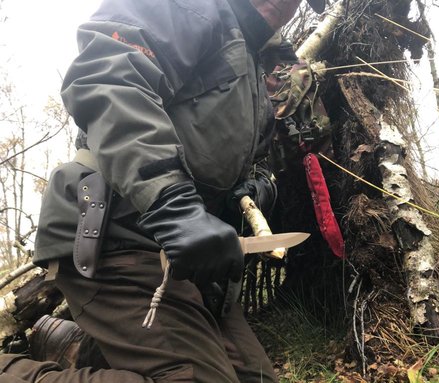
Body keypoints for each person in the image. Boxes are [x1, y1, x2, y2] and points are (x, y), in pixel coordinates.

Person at [0, 0, 325, 382]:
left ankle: (81, 350)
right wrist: (173, 204)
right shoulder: (192, 6)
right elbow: (107, 76)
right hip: (113, 231)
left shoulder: (255, 66)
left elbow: (216, 151)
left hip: (184, 261)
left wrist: (251, 186)